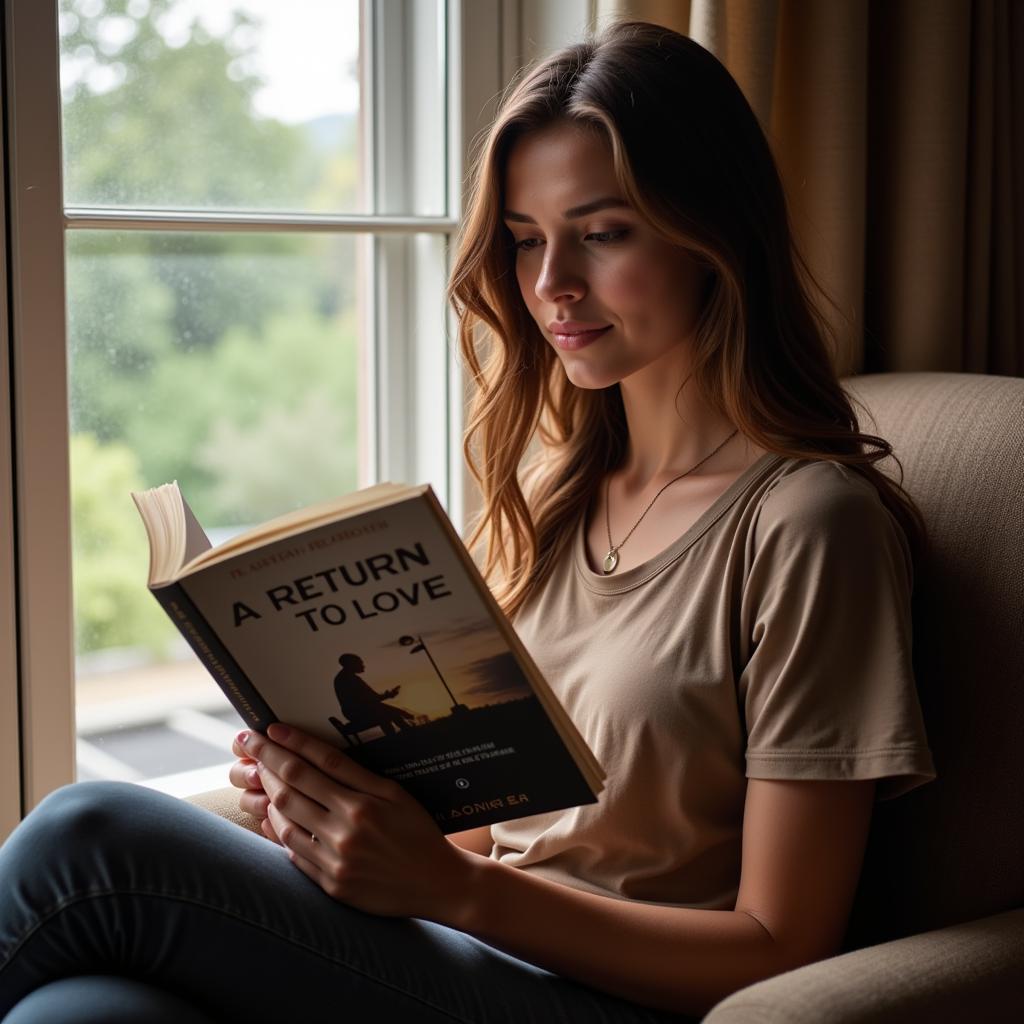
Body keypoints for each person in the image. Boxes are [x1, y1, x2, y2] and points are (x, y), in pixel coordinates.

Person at [0, 20, 935, 1023]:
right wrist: (328, 822)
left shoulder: (806, 526)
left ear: (713, 234)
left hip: (609, 998)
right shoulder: (553, 496)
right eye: (527, 240)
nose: (549, 285)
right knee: (85, 1010)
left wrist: (454, 892)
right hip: (467, 956)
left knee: (90, 835)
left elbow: (778, 946)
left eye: (603, 231)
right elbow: (489, 840)